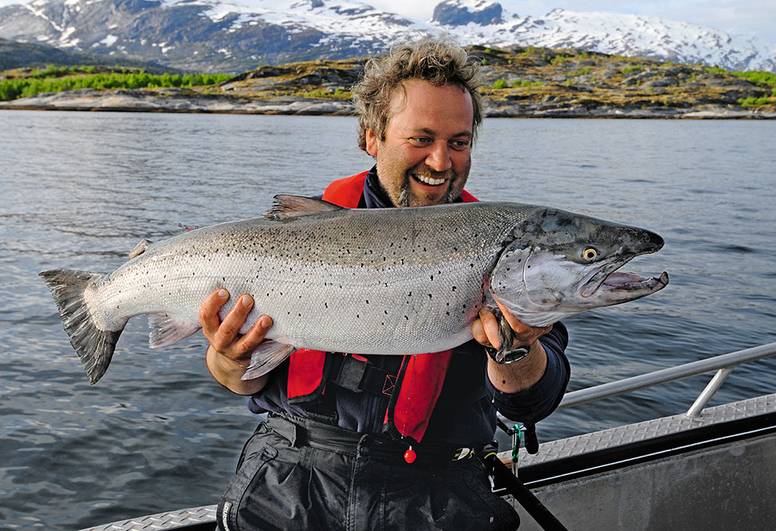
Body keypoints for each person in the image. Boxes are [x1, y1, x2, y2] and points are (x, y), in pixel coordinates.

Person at [201, 38, 570, 531]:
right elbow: (240, 380)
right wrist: (229, 358)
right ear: (371, 137)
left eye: (458, 142)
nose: (441, 163)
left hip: (436, 497)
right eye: (421, 139)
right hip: (286, 486)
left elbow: (532, 404)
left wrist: (517, 351)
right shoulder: (287, 239)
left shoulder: (510, 250)